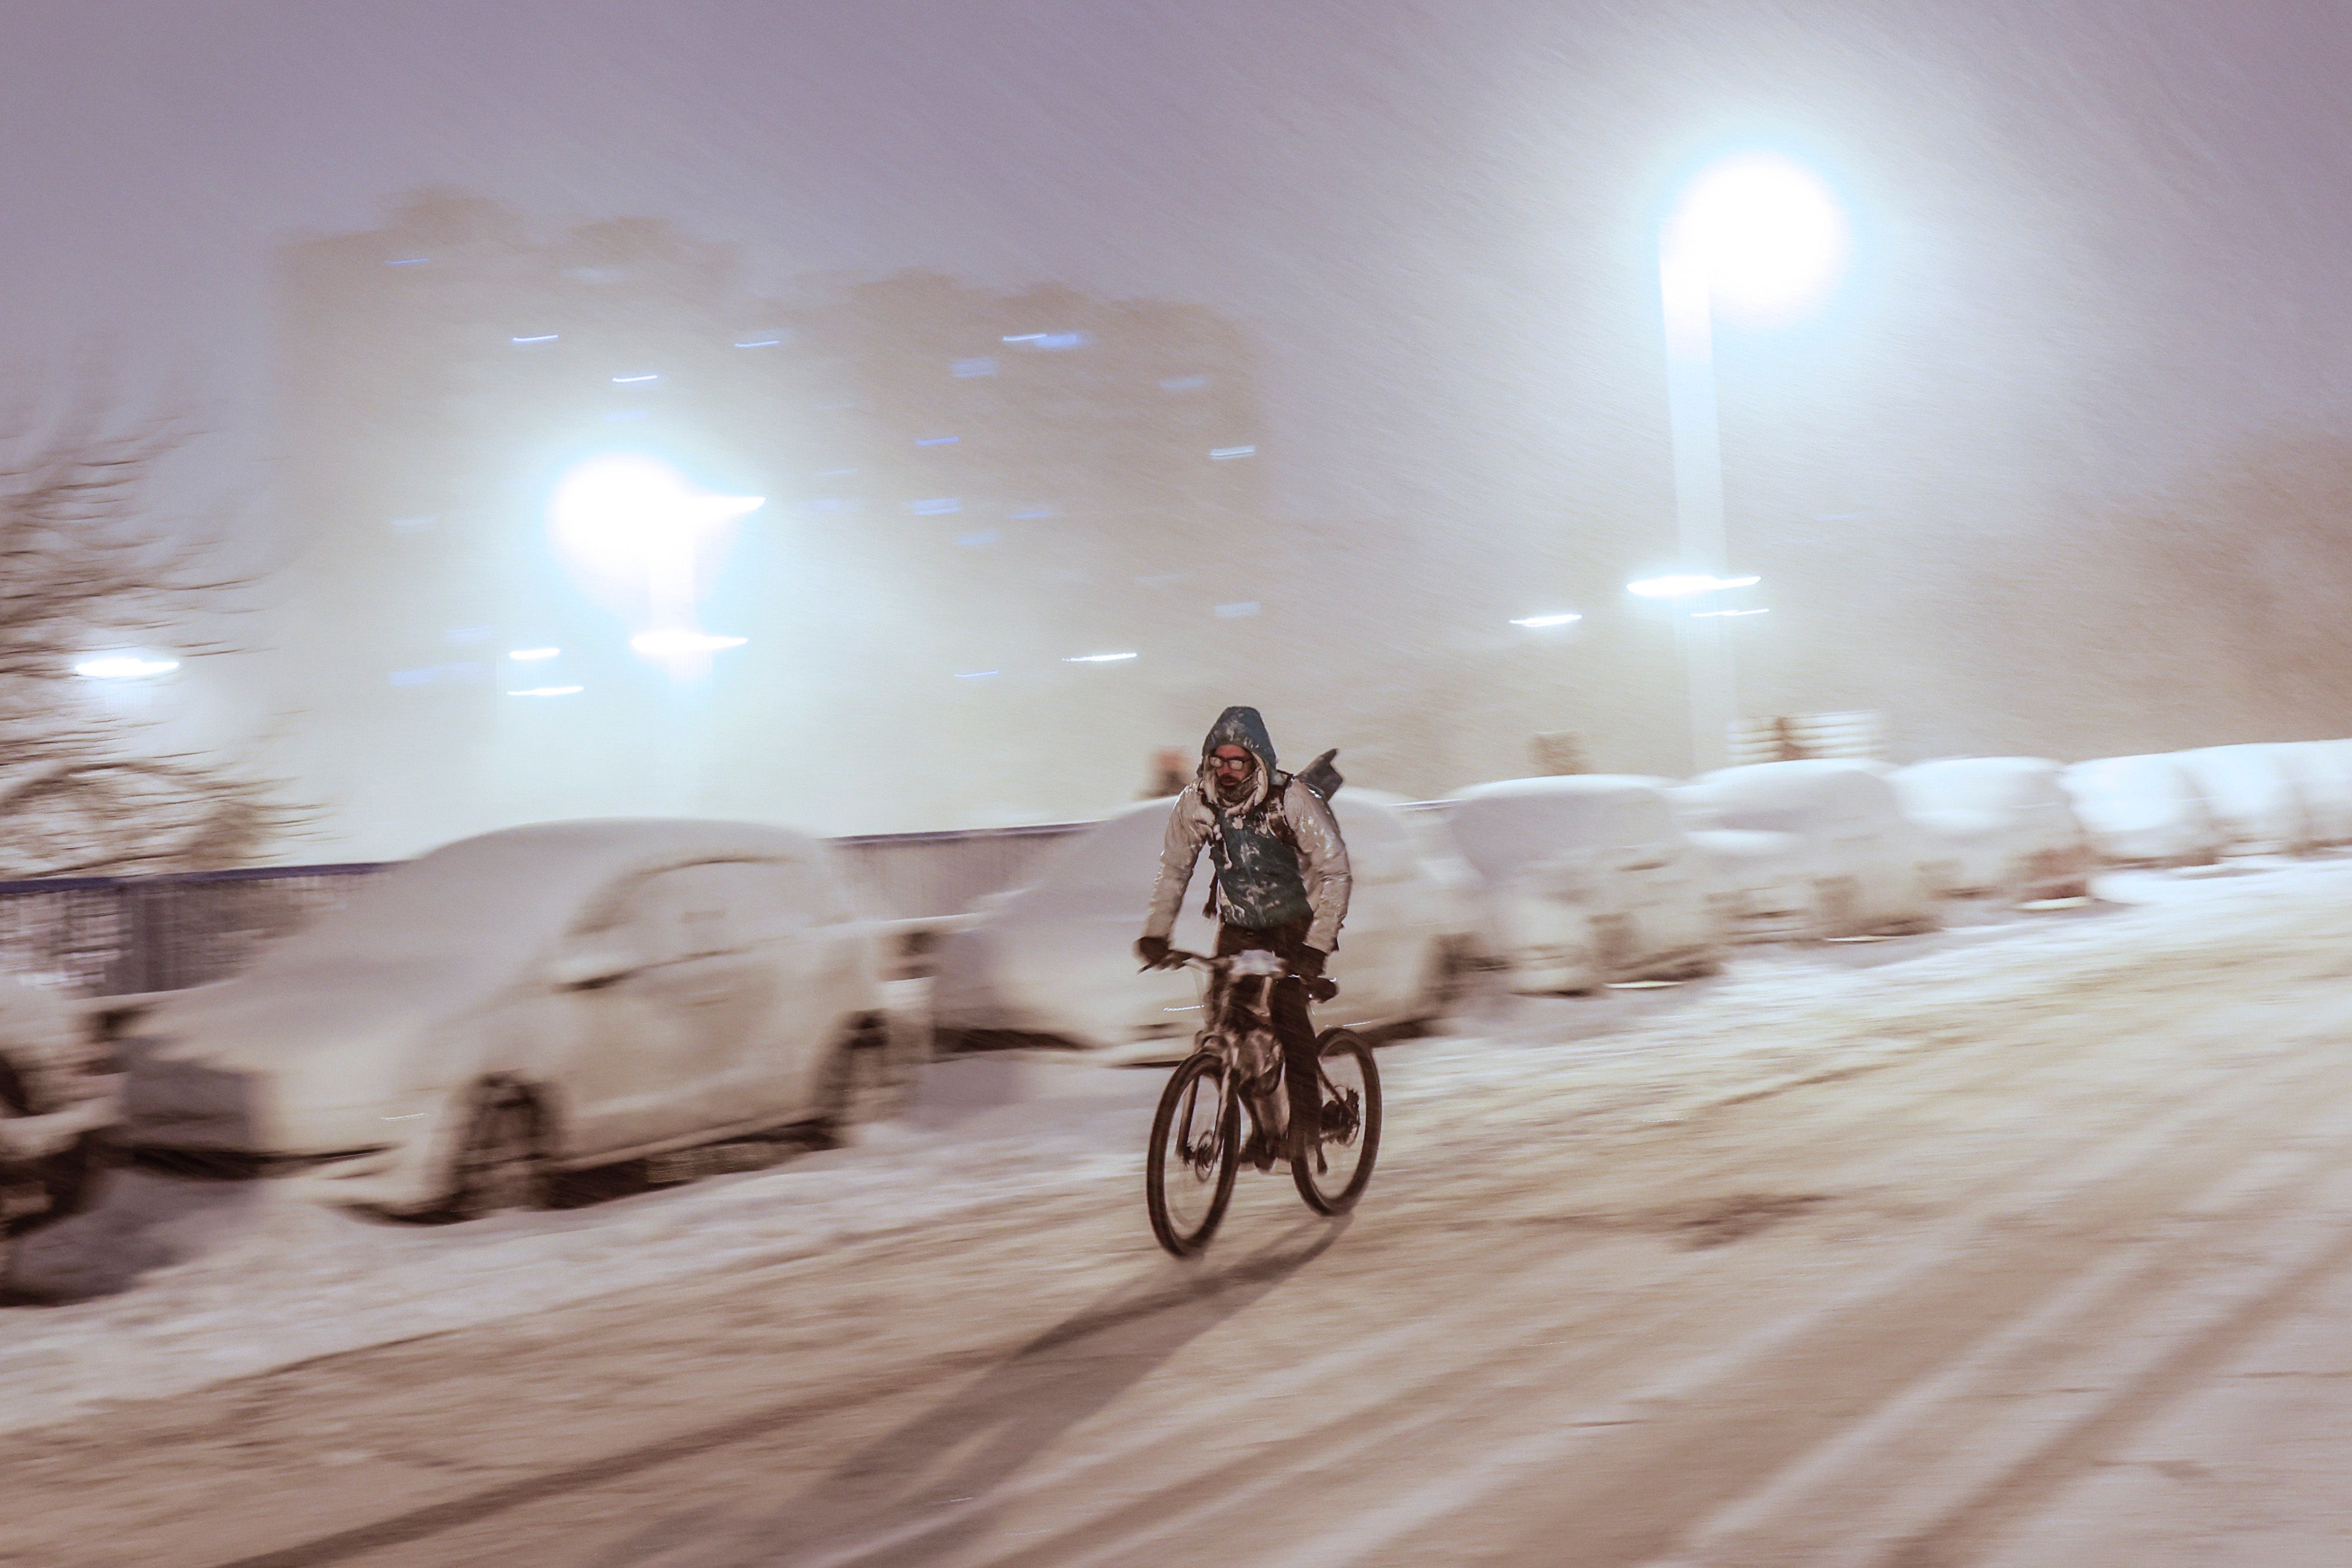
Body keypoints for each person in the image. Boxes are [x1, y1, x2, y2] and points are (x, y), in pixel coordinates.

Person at [1135, 706, 1351, 1162]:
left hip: (1294, 924)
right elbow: (1174, 869)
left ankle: (1308, 1125)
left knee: (1288, 1013)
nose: (1227, 771)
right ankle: (1265, 1127)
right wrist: (1157, 933)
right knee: (1227, 1023)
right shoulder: (1197, 802)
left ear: (1257, 761)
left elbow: (1334, 873)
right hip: (1239, 927)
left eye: (1238, 761)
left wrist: (1315, 949)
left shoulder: (1289, 799)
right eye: (1219, 760)